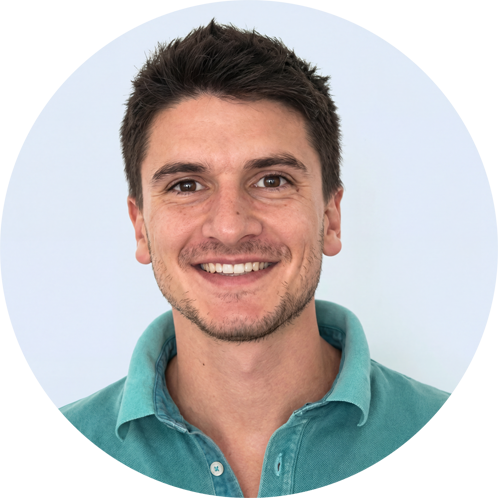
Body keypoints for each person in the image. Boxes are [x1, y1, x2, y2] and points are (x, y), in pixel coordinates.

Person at [59, 20, 450, 497]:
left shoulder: (470, 447)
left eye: (272, 180)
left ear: (330, 218)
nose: (230, 226)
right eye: (187, 185)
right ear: (141, 227)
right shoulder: (46, 463)